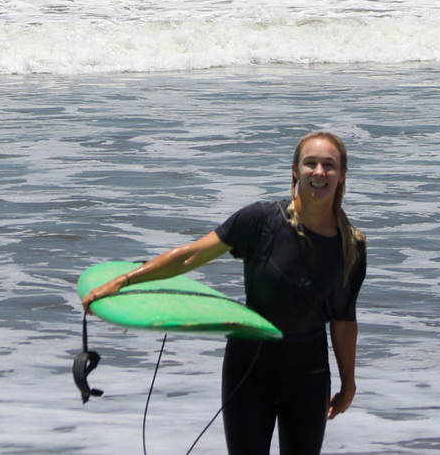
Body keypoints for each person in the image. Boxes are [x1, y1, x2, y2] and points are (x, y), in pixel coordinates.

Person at [82, 131, 366, 455]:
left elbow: (343, 319)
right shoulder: (261, 220)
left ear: (342, 174)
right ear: (295, 170)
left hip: (309, 374)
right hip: (249, 369)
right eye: (310, 163)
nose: (319, 172)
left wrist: (348, 383)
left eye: (329, 165)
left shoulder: (351, 246)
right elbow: (190, 255)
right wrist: (123, 281)